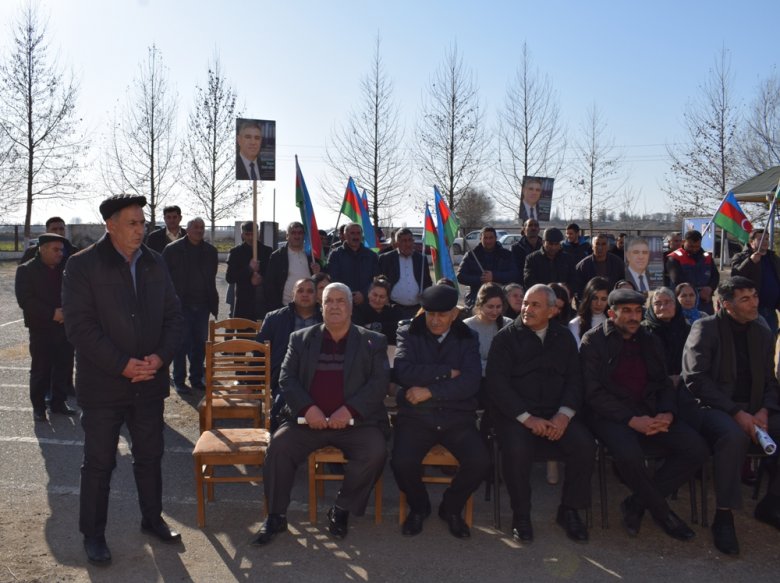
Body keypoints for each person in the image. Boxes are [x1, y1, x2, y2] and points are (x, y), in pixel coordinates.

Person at [62, 194, 185, 566]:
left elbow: (174, 317)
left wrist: (160, 358)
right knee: (99, 463)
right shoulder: (82, 265)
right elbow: (79, 327)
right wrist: (121, 365)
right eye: (132, 223)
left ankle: (152, 519)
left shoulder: (155, 262)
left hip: (149, 381)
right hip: (103, 386)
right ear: (110, 225)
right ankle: (93, 534)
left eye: (142, 223)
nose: (140, 230)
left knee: (150, 456)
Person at [251, 283, 389, 545]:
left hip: (355, 423)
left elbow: (378, 383)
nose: (334, 306)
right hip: (307, 421)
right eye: (329, 301)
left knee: (375, 452)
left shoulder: (372, 341)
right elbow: (286, 378)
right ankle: (276, 515)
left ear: (350, 307)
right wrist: (308, 408)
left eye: (340, 301)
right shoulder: (300, 339)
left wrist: (349, 410)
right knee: (279, 448)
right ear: (321, 307)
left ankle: (341, 509)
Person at [580, 288, 708, 542]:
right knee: (630, 456)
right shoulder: (593, 341)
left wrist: (667, 413)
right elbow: (593, 393)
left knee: (697, 449)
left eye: (638, 311)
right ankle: (663, 513)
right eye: (626, 311)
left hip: (650, 411)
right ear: (611, 314)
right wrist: (631, 420)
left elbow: (663, 383)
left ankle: (637, 503)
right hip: (611, 416)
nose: (633, 317)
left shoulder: (649, 339)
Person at [487, 284, 594, 543]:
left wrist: (564, 415)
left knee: (584, 445)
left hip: (556, 414)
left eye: (535, 305)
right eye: (525, 303)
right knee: (516, 450)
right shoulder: (505, 338)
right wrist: (527, 418)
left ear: (552, 311)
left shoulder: (563, 338)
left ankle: (569, 510)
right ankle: (521, 515)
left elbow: (575, 380)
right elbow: (497, 385)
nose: (527, 309)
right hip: (517, 416)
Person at [681, 276, 780, 555]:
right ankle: (723, 516)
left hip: (755, 408)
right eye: (745, 299)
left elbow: (771, 381)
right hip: (711, 407)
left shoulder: (762, 331)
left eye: (755, 296)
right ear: (726, 305)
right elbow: (696, 379)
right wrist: (737, 413)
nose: (754, 303)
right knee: (733, 436)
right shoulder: (705, 328)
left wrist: (764, 410)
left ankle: (772, 502)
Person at [391, 284, 489, 539]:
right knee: (401, 462)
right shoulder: (408, 331)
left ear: (454, 314)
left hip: (456, 416)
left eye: (442, 315)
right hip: (417, 416)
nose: (435, 320)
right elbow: (403, 372)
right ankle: (419, 507)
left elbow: (470, 382)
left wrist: (430, 391)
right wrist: (447, 372)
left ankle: (451, 508)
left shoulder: (467, 336)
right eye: (430, 314)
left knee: (480, 461)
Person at [15, 233, 77, 422]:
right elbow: (26, 300)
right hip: (41, 328)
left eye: (61, 250)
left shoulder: (65, 268)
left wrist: (67, 312)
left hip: (64, 327)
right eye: (55, 250)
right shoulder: (26, 270)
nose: (60, 254)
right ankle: (39, 407)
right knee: (41, 369)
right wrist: (52, 313)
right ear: (42, 249)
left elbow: (75, 293)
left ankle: (59, 402)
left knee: (63, 367)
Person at [162, 217, 219, 394]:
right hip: (181, 305)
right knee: (181, 343)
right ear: (187, 230)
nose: (199, 230)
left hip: (202, 305)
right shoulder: (172, 250)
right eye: (195, 227)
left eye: (202, 227)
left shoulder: (210, 251)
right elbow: (163, 277)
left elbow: (211, 277)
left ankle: (196, 378)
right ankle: (179, 380)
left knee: (199, 344)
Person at [257, 278, 322, 430]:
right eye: (300, 290)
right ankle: (276, 440)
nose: (305, 294)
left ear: (317, 295)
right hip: (285, 378)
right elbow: (259, 351)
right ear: (293, 294)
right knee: (280, 407)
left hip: (319, 377)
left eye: (310, 291)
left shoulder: (326, 319)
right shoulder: (274, 318)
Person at [731, 228, 780, 333]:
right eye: (760, 239)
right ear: (751, 242)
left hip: (771, 309)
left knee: (771, 338)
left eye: (766, 239)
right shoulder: (740, 257)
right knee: (753, 338)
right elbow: (735, 277)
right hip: (751, 309)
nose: (765, 241)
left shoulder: (773, 258)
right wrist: (750, 261)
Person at [457, 226, 518, 310]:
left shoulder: (506, 255)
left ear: (496, 238)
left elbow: (514, 274)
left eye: (491, 238)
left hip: (500, 295)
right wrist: (480, 279)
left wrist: (494, 276)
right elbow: (460, 276)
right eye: (485, 238)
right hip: (476, 296)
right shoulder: (471, 255)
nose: (488, 241)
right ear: (480, 238)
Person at [264, 221, 320, 312]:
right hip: (285, 307)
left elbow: (322, 280)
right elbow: (269, 284)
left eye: (300, 233)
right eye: (293, 233)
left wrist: (318, 273)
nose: (297, 236)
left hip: (310, 307)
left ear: (304, 236)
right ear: (287, 236)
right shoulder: (277, 256)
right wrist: (275, 307)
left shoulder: (313, 255)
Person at [378, 227, 432, 320]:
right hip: (394, 309)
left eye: (410, 240)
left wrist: (425, 293)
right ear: (397, 243)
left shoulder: (421, 259)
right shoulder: (386, 259)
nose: (408, 244)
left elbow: (427, 281)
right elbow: (379, 281)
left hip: (417, 309)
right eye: (404, 241)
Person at [641, 287, 690, 388]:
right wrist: (666, 379)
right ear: (651, 307)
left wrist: (681, 377)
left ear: (676, 305)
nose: (663, 307)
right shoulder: (642, 331)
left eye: (668, 302)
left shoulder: (686, 329)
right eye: (657, 303)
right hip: (653, 385)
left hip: (685, 382)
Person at [464, 283, 513, 381]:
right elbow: (469, 361)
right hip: (477, 380)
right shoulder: (468, 326)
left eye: (498, 307)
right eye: (490, 307)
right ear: (480, 305)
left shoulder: (509, 324)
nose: (495, 312)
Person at [226, 221, 273, 320]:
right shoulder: (235, 252)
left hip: (264, 301)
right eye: (247, 234)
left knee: (263, 328)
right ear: (242, 234)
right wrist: (249, 269)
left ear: (258, 234)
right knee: (244, 329)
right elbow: (230, 278)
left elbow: (273, 276)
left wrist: (261, 280)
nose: (251, 237)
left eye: (253, 234)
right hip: (244, 302)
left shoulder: (267, 251)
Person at [326, 223, 380, 306]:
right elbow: (333, 278)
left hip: (367, 302)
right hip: (343, 302)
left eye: (358, 233)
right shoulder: (335, 255)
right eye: (352, 233)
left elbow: (375, 279)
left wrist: (363, 294)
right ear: (345, 235)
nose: (356, 236)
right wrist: (349, 294)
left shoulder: (371, 255)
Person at [666, 230, 719, 315]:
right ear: (684, 242)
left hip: (705, 301)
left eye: (697, 246)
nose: (694, 249)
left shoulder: (707, 257)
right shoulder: (674, 257)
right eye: (691, 246)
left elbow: (715, 276)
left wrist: (710, 288)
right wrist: (696, 292)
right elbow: (677, 279)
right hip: (683, 301)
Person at [352, 275, 402, 345]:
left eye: (382, 297)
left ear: (387, 299)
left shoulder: (394, 313)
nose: (377, 299)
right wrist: (386, 328)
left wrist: (373, 326)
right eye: (375, 295)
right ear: (368, 294)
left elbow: (397, 331)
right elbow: (359, 333)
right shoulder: (358, 311)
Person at [574, 233, 625, 299]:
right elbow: (578, 289)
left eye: (603, 244)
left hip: (612, 301)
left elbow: (623, 282)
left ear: (608, 247)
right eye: (597, 244)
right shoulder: (583, 265)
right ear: (592, 246)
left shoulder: (617, 263)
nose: (600, 247)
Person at [568, 277, 610, 348]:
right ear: (588, 298)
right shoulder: (575, 324)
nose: (599, 303)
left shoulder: (614, 322)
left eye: (603, 299)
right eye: (595, 298)